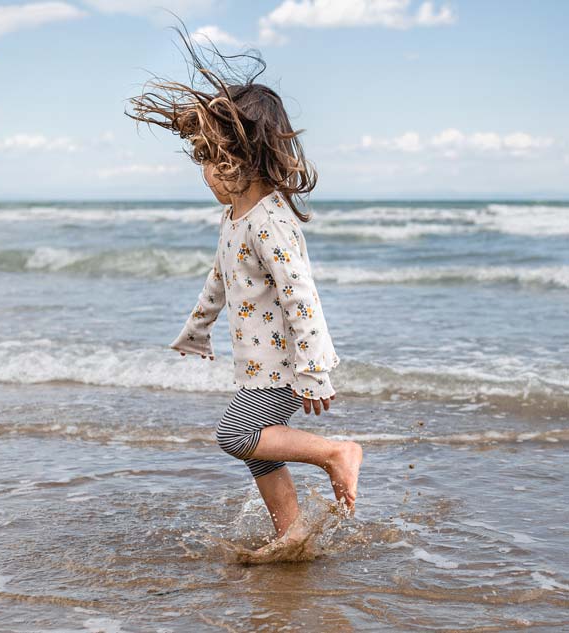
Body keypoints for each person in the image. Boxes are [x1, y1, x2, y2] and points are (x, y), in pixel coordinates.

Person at [125, 19, 362, 542]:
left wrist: (315, 368)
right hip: (255, 361)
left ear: (242, 158)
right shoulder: (235, 217)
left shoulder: (271, 221)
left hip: (283, 365)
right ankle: (291, 534)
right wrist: (197, 328)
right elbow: (220, 280)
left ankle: (335, 453)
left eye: (211, 161)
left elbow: (302, 295)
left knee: (237, 434)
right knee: (259, 451)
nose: (205, 174)